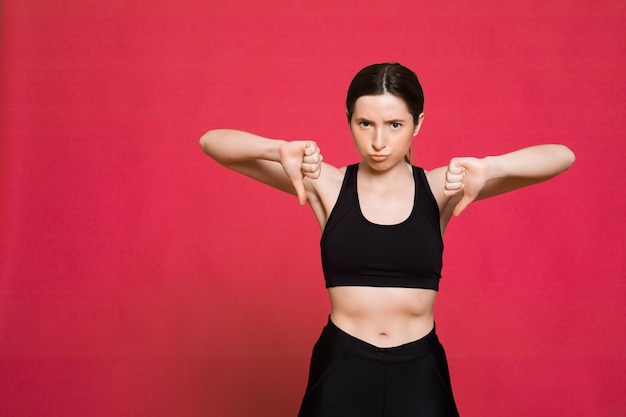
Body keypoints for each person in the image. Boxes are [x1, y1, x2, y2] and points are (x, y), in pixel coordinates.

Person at [199, 63, 575, 417]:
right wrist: (274, 149)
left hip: (420, 370)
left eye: (395, 124)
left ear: (417, 124)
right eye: (365, 123)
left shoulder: (441, 187)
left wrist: (494, 167)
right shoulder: (324, 184)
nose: (379, 141)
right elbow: (211, 142)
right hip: (342, 366)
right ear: (348, 120)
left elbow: (562, 156)